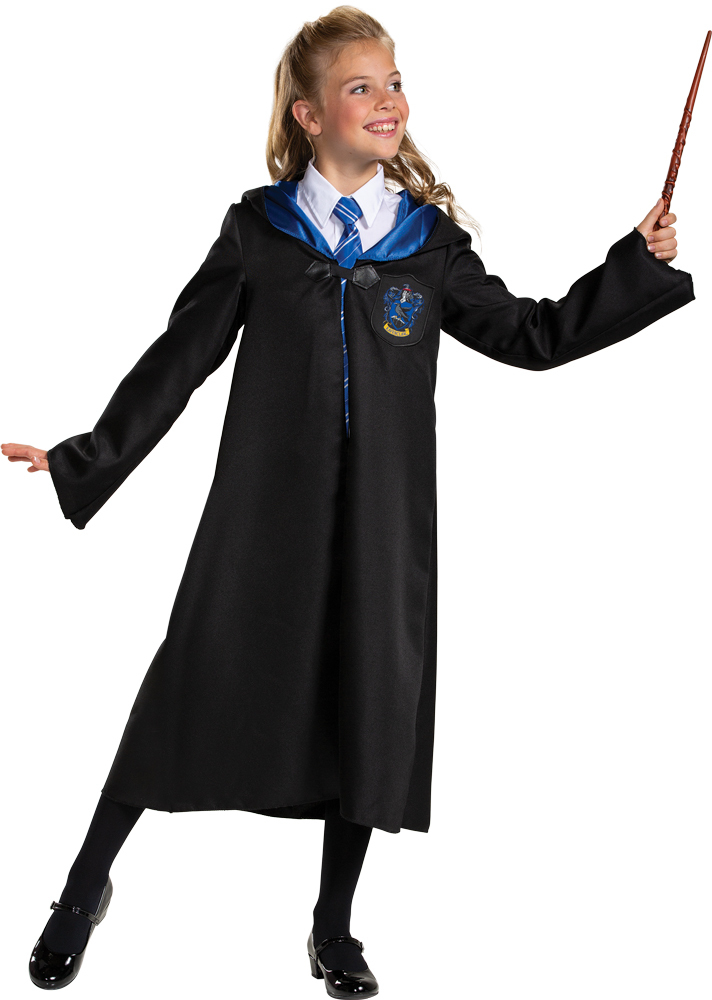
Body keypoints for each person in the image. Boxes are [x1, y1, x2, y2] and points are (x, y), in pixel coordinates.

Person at [2, 5, 694, 996]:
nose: (387, 100)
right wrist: (87, 455)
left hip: (380, 526)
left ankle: (333, 926)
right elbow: (179, 359)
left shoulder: (427, 245)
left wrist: (634, 264)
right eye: (361, 85)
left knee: (364, 707)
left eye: (394, 81)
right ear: (309, 114)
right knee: (187, 684)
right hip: (262, 519)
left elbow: (533, 335)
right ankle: (82, 889)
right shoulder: (259, 232)